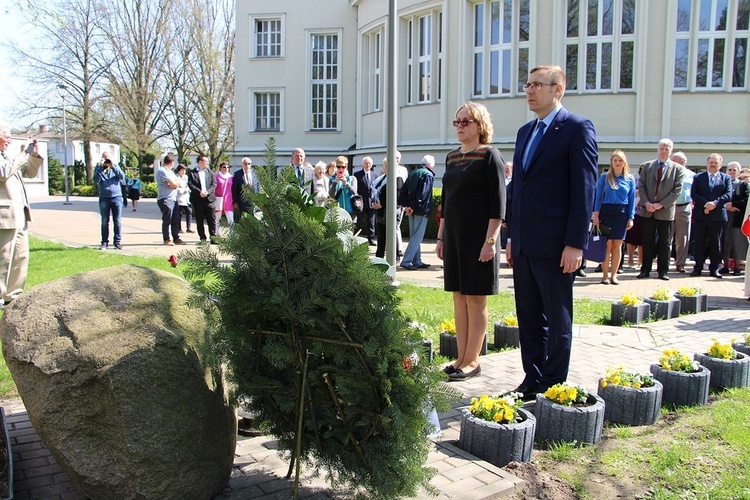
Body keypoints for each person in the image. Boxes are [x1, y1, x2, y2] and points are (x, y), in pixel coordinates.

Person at [505, 65, 598, 400]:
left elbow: (584, 190)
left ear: (558, 89)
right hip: (526, 243)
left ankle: (554, 383)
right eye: (527, 84)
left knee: (557, 319)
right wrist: (512, 238)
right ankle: (532, 378)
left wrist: (575, 243)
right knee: (528, 316)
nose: (530, 90)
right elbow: (519, 188)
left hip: (557, 244)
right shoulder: (525, 132)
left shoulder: (576, 128)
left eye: (537, 85)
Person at [436, 101, 505, 382]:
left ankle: (473, 360)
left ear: (480, 125)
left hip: (480, 239)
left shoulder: (490, 156)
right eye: (457, 122)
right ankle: (460, 357)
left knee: (476, 298)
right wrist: (441, 237)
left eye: (467, 121)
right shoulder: (452, 157)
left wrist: (490, 241)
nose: (461, 126)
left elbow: (498, 205)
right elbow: (447, 202)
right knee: (459, 296)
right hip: (454, 238)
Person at [0, 126, 43, 304]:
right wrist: (23, 154)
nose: (10, 140)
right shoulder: (10, 159)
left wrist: (32, 156)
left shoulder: (9, 157)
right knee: (4, 258)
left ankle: (13, 295)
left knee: (20, 256)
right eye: (6, 136)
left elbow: (31, 173)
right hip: (5, 216)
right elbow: (3, 173)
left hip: (20, 215)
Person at [637, 139, 684, 281]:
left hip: (666, 211)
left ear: (671, 151)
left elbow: (677, 191)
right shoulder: (647, 166)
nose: (664, 151)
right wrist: (646, 203)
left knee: (665, 242)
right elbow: (642, 186)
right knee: (647, 241)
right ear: (658, 149)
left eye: (667, 148)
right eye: (662, 148)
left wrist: (661, 204)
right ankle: (645, 269)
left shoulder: (678, 169)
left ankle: (663, 270)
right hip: (648, 210)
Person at [592, 150, 636, 284]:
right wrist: (595, 214)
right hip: (606, 212)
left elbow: (631, 199)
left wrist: (631, 217)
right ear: (611, 162)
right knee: (607, 245)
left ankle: (614, 275)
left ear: (624, 163)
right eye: (615, 160)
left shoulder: (629, 179)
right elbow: (598, 196)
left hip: (621, 214)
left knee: (617, 246)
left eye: (620, 160)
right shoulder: (604, 177)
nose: (617, 163)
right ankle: (604, 275)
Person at [690, 153, 732, 278]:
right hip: (701, 214)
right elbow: (694, 194)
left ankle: (714, 269)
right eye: (711, 162)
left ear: (720, 164)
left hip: (717, 215)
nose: (713, 164)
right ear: (707, 163)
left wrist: (714, 204)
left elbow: (728, 194)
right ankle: (698, 267)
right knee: (699, 242)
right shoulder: (698, 177)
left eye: (716, 162)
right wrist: (706, 204)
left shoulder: (726, 178)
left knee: (716, 243)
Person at [398, 154, 435, 270]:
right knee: (417, 237)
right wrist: (413, 206)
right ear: (430, 165)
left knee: (414, 236)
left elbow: (402, 191)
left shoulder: (414, 172)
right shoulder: (428, 175)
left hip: (411, 210)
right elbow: (423, 194)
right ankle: (407, 260)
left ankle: (417, 260)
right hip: (420, 210)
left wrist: (407, 206)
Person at [371, 158, 403, 259]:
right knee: (381, 236)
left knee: (392, 235)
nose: (382, 167)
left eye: (383, 165)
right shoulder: (383, 178)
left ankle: (395, 256)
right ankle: (379, 257)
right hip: (381, 213)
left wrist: (382, 204)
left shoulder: (397, 179)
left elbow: (396, 196)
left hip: (390, 213)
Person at [722, 161, 749, 274]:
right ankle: (725, 266)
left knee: (737, 243)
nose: (732, 172)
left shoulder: (743, 185)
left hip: (737, 218)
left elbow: (746, 200)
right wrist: (725, 206)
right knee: (725, 242)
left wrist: (733, 204)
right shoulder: (721, 183)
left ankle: (737, 267)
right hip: (723, 217)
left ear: (738, 172)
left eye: (734, 170)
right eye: (730, 170)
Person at [94, 156, 126, 250]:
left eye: (108, 159)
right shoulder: (99, 168)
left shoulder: (115, 166)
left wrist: (113, 166)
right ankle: (104, 242)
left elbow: (122, 177)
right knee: (104, 221)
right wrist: (100, 168)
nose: (106, 161)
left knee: (117, 221)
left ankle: (117, 242)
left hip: (116, 197)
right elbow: (96, 180)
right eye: (105, 159)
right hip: (104, 197)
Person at [670, 151, 693, 272]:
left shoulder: (692, 175)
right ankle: (664, 263)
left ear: (683, 163)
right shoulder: (667, 174)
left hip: (683, 207)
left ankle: (680, 264)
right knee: (666, 237)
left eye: (674, 161)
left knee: (682, 237)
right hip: (668, 207)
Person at [155, 153, 184, 246]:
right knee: (167, 220)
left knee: (175, 219)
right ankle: (166, 239)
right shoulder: (162, 171)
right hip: (165, 198)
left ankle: (176, 237)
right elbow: (173, 184)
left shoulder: (171, 172)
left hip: (173, 198)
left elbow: (177, 183)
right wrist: (173, 184)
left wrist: (174, 184)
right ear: (172, 162)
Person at [188, 154, 217, 244]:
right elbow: (190, 184)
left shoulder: (210, 172)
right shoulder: (192, 173)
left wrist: (207, 192)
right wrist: (199, 192)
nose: (207, 163)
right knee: (199, 219)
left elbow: (214, 184)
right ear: (200, 162)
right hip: (198, 199)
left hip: (209, 199)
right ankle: (202, 238)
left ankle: (213, 237)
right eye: (206, 161)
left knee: (211, 219)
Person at [354, 156, 377, 244]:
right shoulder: (357, 174)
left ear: (371, 165)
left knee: (371, 222)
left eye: (369, 163)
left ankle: (371, 239)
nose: (367, 165)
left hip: (371, 202)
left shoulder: (375, 175)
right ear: (363, 164)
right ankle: (354, 237)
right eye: (366, 163)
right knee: (358, 220)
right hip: (361, 201)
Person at [329, 156, 358, 221]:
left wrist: (346, 183)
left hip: (351, 212)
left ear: (346, 167)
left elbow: (354, 192)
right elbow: (331, 195)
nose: (341, 169)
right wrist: (335, 182)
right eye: (338, 167)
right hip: (338, 213)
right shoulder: (332, 179)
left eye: (343, 167)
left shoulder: (352, 178)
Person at [214, 161, 234, 229]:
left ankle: (232, 236)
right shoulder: (216, 176)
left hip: (228, 200)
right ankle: (217, 235)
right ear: (220, 168)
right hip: (219, 199)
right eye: (224, 167)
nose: (226, 168)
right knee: (217, 219)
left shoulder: (231, 177)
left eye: (228, 167)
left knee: (231, 219)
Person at [175, 164, 193, 233]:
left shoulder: (186, 177)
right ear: (179, 170)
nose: (183, 171)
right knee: (179, 213)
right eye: (182, 170)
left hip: (186, 198)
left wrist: (188, 189)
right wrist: (183, 190)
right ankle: (179, 228)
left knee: (189, 211)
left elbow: (189, 185)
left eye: (184, 170)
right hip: (179, 197)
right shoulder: (176, 177)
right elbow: (176, 188)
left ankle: (189, 227)